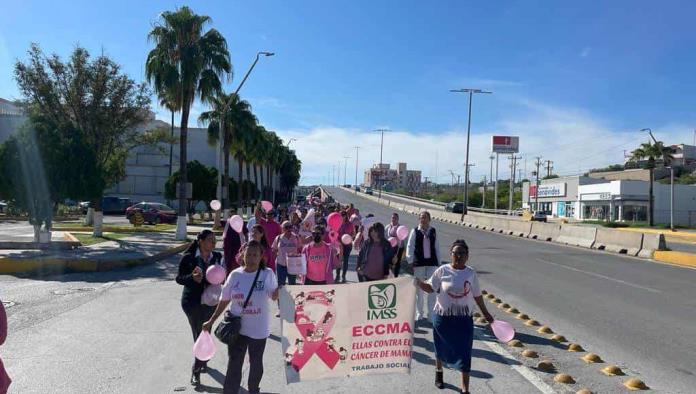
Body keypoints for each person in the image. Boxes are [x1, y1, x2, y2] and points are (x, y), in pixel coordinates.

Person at [415, 239, 494, 394]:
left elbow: (477, 295)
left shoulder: (470, 273)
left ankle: (465, 389)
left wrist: (486, 313)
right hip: (443, 318)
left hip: (463, 320)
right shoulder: (442, 270)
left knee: (465, 352)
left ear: (467, 256)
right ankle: (439, 372)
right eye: (455, 253)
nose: (458, 256)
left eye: (462, 253)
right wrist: (417, 282)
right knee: (440, 348)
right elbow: (431, 288)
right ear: (450, 254)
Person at [203, 240, 279, 394]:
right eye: (248, 254)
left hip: (259, 329)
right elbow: (225, 300)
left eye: (255, 255)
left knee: (256, 362)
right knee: (234, 363)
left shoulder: (267, 274)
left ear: (261, 257)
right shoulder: (235, 274)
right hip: (237, 328)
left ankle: (253, 390)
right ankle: (230, 391)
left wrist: (279, 291)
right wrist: (212, 320)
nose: (251, 258)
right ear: (243, 255)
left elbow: (274, 296)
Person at [175, 230, 222, 386]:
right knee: (199, 335)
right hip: (192, 303)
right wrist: (192, 278)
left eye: (215, 240)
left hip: (210, 303)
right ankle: (196, 371)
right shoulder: (188, 258)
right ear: (201, 241)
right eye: (210, 240)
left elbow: (221, 275)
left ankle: (203, 361)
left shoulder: (217, 257)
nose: (213, 243)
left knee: (206, 333)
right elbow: (179, 278)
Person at [406, 211, 441, 321]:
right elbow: (410, 246)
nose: (423, 219)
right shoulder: (415, 231)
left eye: (425, 217)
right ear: (419, 220)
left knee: (432, 289)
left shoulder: (433, 231)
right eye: (421, 218)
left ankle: (431, 315)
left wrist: (439, 263)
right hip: (419, 263)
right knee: (418, 290)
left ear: (429, 219)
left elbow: (437, 247)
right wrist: (410, 260)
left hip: (431, 263)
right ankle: (419, 314)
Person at [272, 221, 302, 287]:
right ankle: (281, 297)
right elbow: (274, 250)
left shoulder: (296, 237)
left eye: (290, 227)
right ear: (282, 228)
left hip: (292, 265)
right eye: (286, 227)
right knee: (281, 286)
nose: (289, 229)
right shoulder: (278, 238)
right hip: (281, 265)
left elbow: (300, 249)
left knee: (292, 285)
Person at [335, 211, 355, 283]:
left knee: (346, 260)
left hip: (347, 245)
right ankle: (337, 276)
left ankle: (343, 276)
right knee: (339, 260)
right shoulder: (337, 224)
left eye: (344, 215)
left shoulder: (350, 224)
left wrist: (349, 238)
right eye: (341, 215)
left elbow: (353, 233)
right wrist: (338, 242)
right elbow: (334, 234)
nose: (343, 216)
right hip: (339, 244)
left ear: (346, 216)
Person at [385, 213, 406, 277]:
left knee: (397, 263)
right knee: (388, 262)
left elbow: (403, 239)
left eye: (395, 218)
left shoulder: (400, 228)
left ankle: (396, 276)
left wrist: (404, 250)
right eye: (392, 218)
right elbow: (385, 237)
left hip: (398, 248)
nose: (393, 219)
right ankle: (387, 275)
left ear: (398, 219)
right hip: (389, 247)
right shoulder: (387, 227)